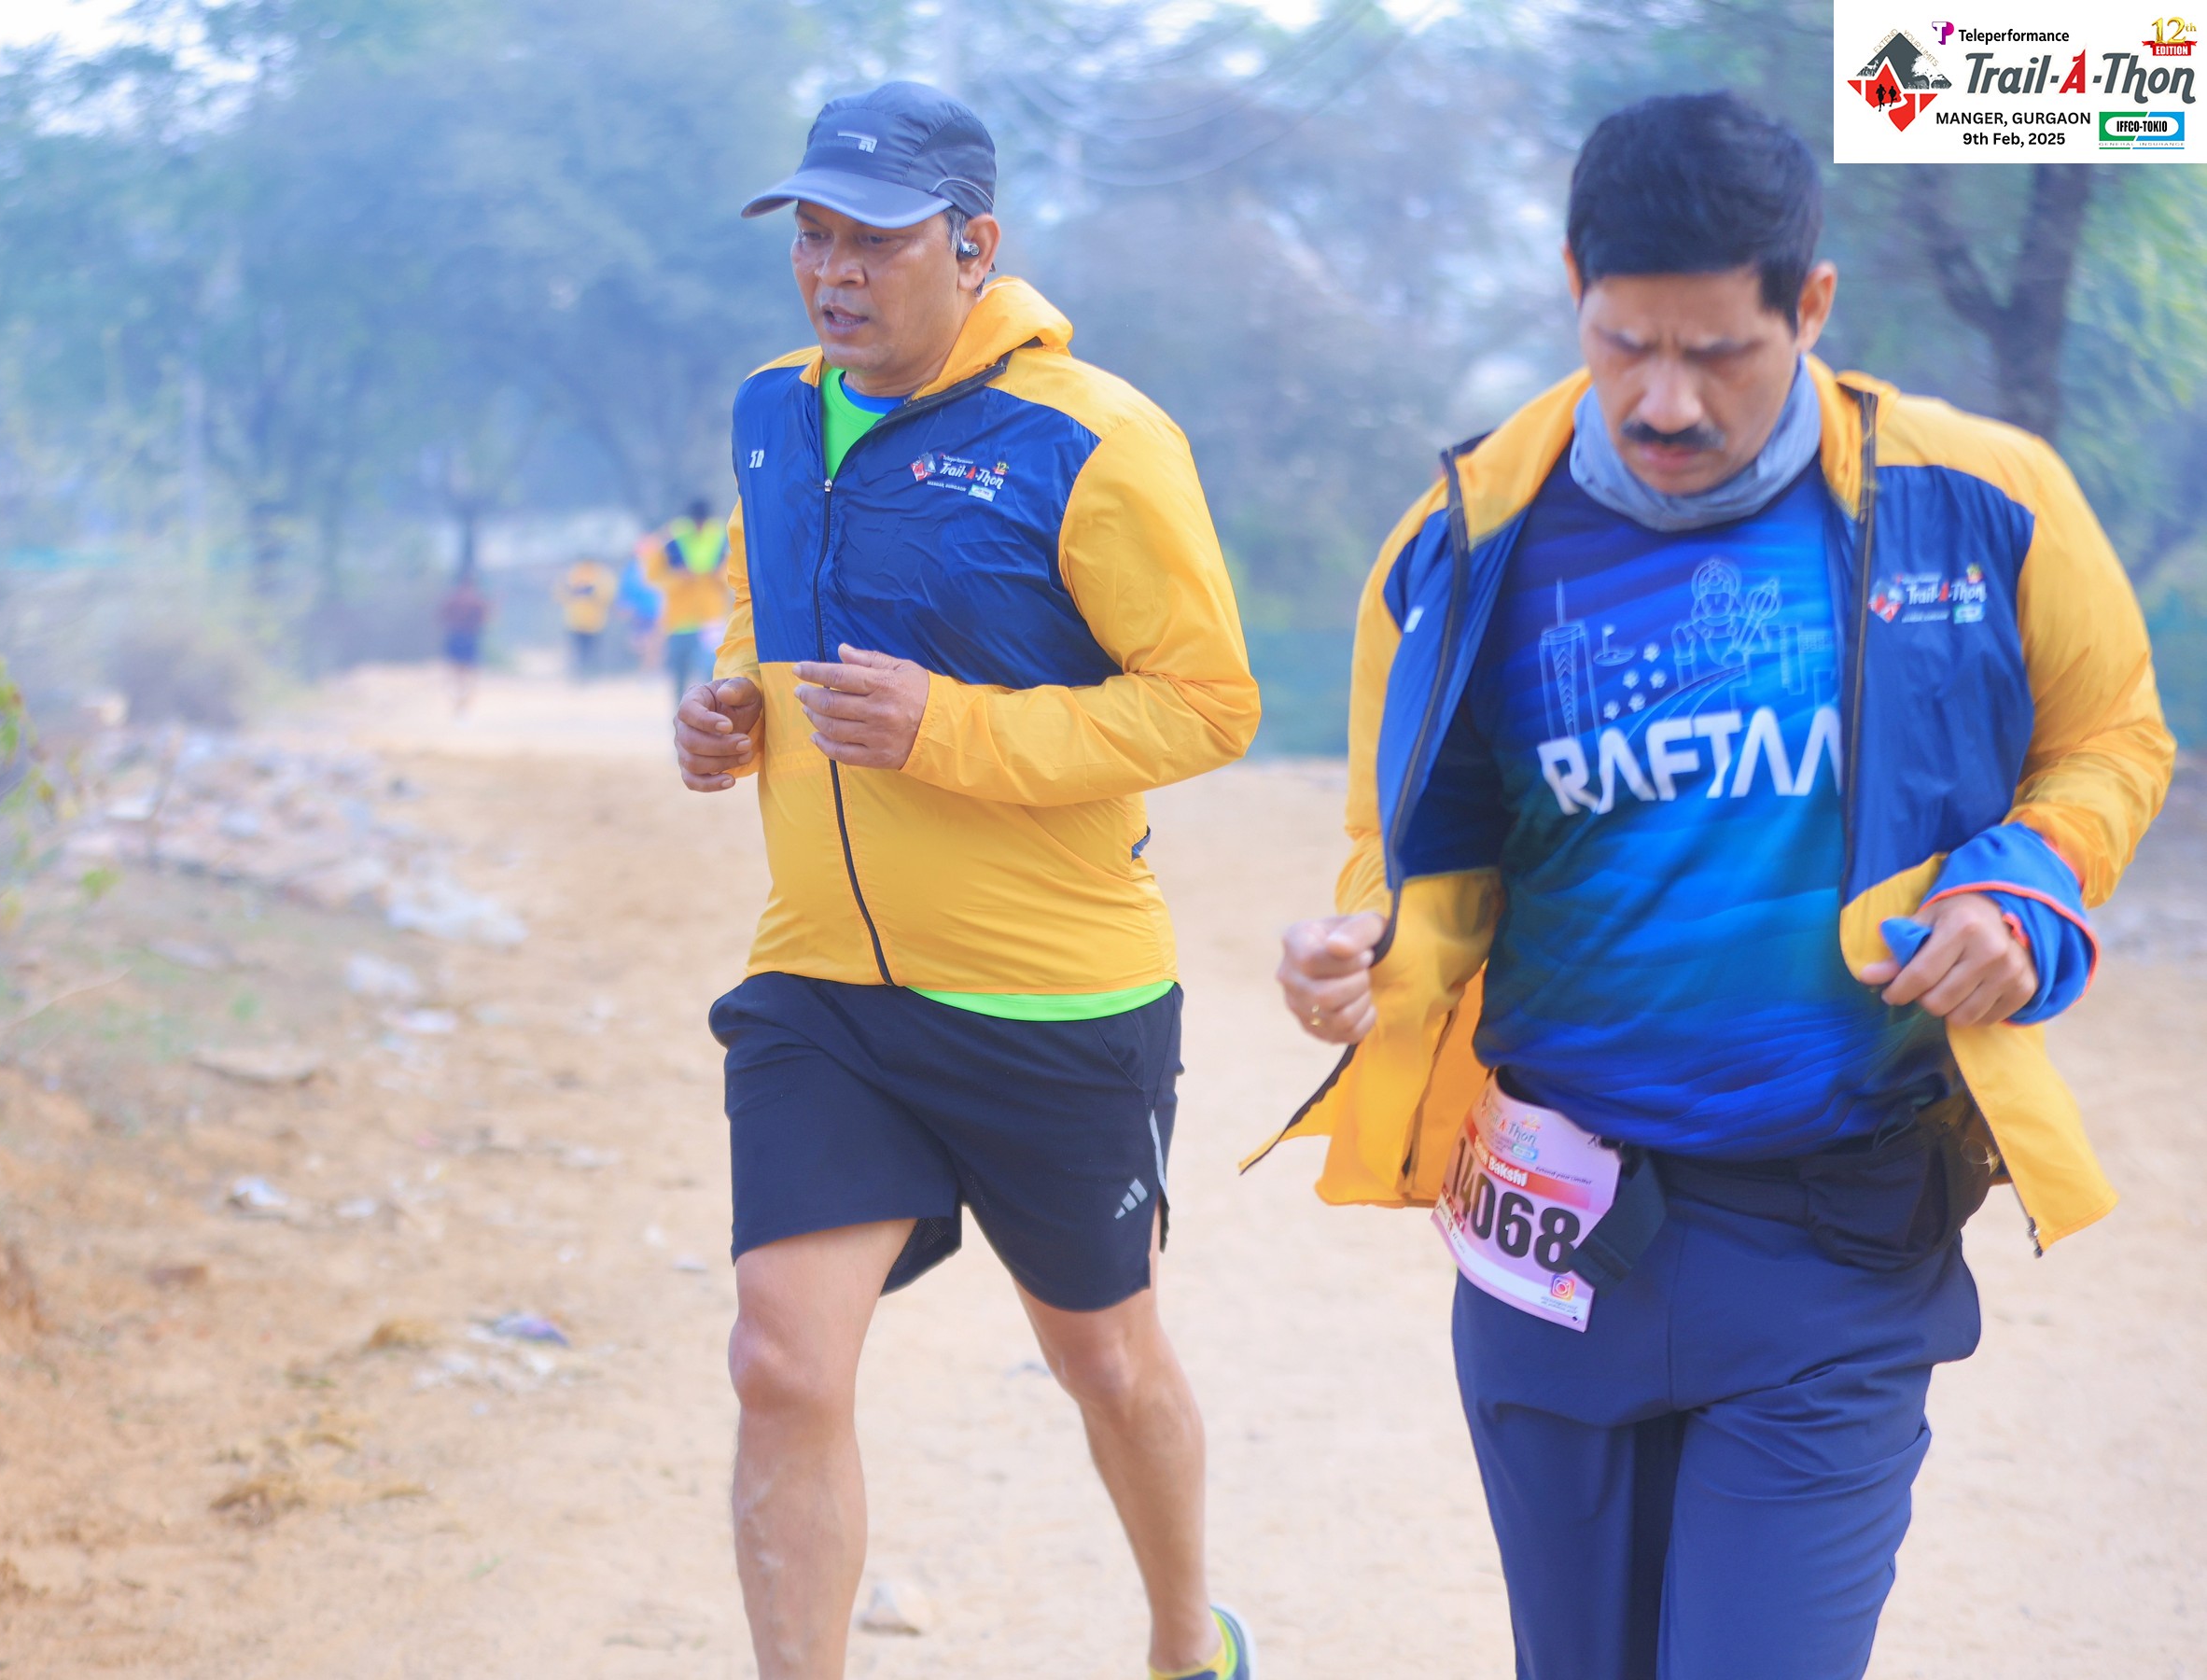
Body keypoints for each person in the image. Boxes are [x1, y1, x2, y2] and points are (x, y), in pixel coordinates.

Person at [1261, 93, 2173, 1680]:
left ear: (1809, 305)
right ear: (1573, 288)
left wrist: (2019, 888)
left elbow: (2109, 739)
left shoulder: (1980, 496)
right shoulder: (1463, 541)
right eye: (1624, 346)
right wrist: (1367, 952)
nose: (1664, 400)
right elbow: (1412, 855)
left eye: (1718, 353)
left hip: (1839, 1241)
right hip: (1552, 1237)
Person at [673, 80, 1263, 1680]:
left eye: (873, 240)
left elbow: (1209, 703)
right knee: (780, 1359)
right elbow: (766, 607)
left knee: (1106, 1361)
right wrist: (732, 703)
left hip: (1051, 998)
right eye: (812, 237)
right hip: (824, 984)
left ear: (975, 245)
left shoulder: (1097, 438)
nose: (833, 271)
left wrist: (951, 730)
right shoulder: (772, 410)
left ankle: (1184, 1641)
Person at [645, 497, 733, 696]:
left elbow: (733, 571)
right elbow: (652, 575)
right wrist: (679, 578)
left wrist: (718, 576)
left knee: (713, 672)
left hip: (711, 618)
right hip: (680, 619)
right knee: (680, 672)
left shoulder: (720, 535)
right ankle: (680, 709)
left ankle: (713, 708)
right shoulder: (672, 537)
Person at [554, 554, 617, 681]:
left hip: (591, 622)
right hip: (579, 621)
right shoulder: (574, 574)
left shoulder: (598, 575)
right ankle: (581, 675)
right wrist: (575, 592)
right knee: (580, 652)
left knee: (589, 651)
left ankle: (589, 675)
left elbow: (607, 596)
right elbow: (560, 594)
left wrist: (591, 593)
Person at [437, 570, 491, 714]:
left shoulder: (453, 599)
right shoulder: (476, 600)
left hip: (458, 636)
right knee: (465, 673)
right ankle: (461, 703)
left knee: (458, 673)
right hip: (467, 637)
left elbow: (442, 617)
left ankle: (459, 702)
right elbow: (485, 619)